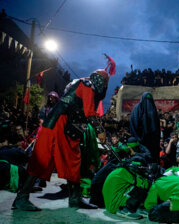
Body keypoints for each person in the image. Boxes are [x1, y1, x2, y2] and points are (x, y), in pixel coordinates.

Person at [12, 58, 115, 211]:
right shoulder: (87, 86)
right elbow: (89, 112)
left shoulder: (80, 84)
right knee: (42, 158)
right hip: (57, 124)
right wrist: (100, 131)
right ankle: (21, 198)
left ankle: (74, 199)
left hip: (69, 127)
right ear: (102, 82)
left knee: (73, 160)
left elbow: (82, 112)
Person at [129, 92, 160, 163]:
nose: (148, 103)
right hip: (140, 141)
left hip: (152, 142)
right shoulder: (137, 109)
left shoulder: (153, 110)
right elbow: (134, 125)